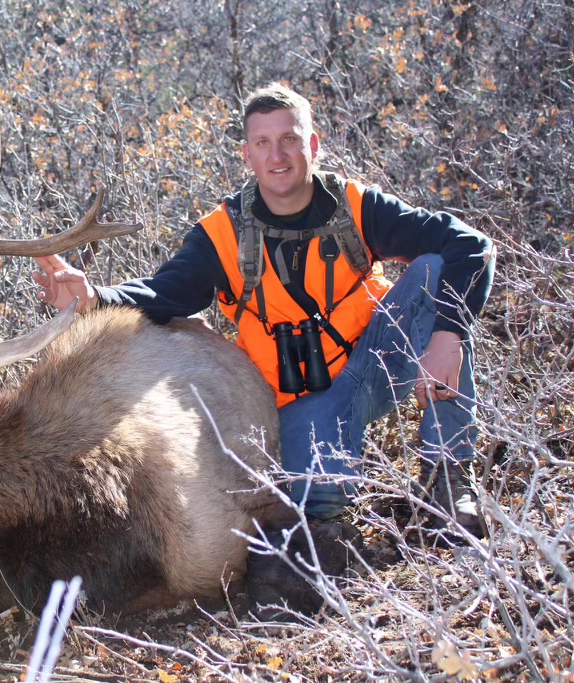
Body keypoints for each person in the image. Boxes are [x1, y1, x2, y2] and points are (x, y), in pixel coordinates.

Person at [32, 83, 495, 541]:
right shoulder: (223, 234)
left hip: (379, 360)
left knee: (436, 270)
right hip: (304, 402)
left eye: (290, 139)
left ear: (313, 145)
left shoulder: (355, 207)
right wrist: (93, 297)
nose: (279, 156)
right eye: (263, 143)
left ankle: (447, 476)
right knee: (318, 508)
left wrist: (446, 338)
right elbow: (168, 293)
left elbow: (472, 247)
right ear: (247, 156)